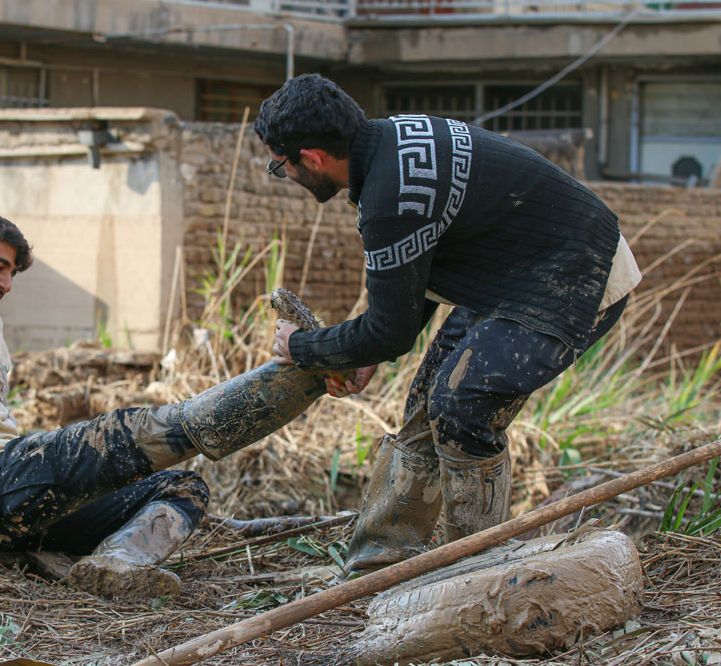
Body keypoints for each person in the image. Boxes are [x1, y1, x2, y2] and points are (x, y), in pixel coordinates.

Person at [0, 206, 327, 600]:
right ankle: (289, 378)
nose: (6, 283)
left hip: (14, 495)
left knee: (184, 485)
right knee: (114, 437)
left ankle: (116, 564)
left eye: (13, 272)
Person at [254, 74, 641, 572]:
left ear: (312, 157)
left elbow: (389, 332)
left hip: (577, 275)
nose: (285, 175)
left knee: (460, 406)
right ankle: (378, 565)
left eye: (280, 166)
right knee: (427, 402)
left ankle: (476, 573)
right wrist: (364, 349)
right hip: (515, 272)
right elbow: (408, 292)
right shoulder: (393, 141)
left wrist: (303, 348)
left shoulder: (391, 195)